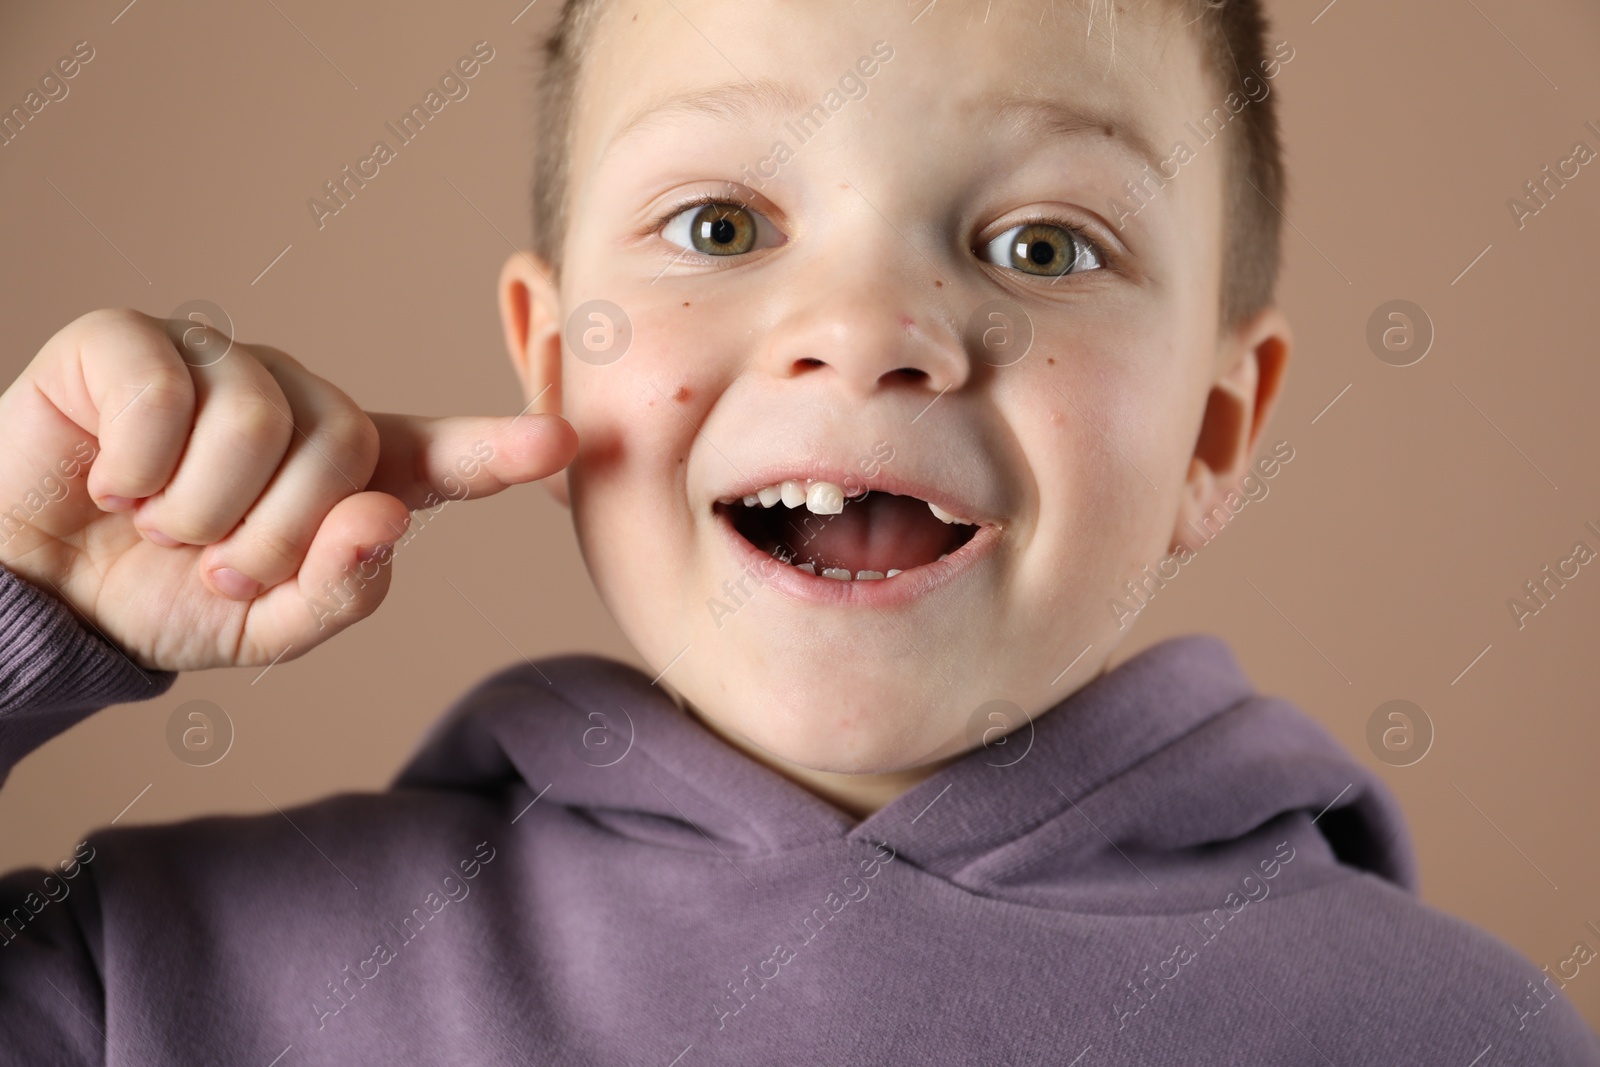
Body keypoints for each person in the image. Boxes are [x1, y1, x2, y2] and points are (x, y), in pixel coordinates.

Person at [1, 0, 1595, 1062]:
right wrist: (22, 607)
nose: (869, 327)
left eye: (1044, 242)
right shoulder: (182, 968)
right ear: (555, 362)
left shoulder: (1454, 1033)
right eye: (721, 226)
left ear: (1212, 429)